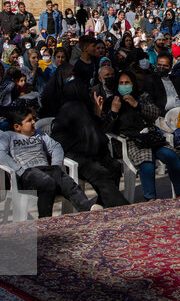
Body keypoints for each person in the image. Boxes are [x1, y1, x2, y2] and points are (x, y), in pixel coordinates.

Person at [0, 108, 100, 217]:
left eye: (33, 119)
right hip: (27, 174)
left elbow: (55, 146)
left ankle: (86, 207)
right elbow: (0, 154)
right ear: (17, 127)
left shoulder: (39, 134)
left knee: (67, 182)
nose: (34, 122)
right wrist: (19, 170)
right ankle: (44, 219)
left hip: (47, 170)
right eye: (29, 120)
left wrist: (56, 165)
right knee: (47, 182)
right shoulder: (8, 136)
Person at [102, 71, 180, 199]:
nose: (124, 86)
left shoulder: (142, 97)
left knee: (172, 156)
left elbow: (155, 113)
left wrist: (137, 105)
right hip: (129, 141)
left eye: (127, 83)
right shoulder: (111, 101)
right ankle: (150, 197)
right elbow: (105, 128)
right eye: (121, 83)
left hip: (151, 137)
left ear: (133, 84)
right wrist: (114, 112)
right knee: (146, 160)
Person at [50, 79, 128, 207]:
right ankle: (122, 208)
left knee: (114, 166)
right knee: (102, 174)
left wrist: (97, 113)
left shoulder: (83, 107)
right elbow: (87, 136)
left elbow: (94, 132)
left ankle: (102, 205)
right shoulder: (73, 108)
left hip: (89, 152)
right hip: (76, 155)